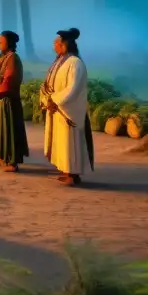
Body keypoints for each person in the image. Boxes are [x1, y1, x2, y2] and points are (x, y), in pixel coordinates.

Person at [41, 28, 94, 186]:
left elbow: (73, 88)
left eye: (56, 43)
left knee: (71, 143)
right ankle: (66, 170)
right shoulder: (59, 62)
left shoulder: (75, 63)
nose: (54, 46)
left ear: (64, 45)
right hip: (58, 109)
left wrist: (55, 100)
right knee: (62, 143)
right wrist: (46, 98)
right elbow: (48, 84)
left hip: (70, 111)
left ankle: (73, 173)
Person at [0, 31, 29, 172]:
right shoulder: (1, 58)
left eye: (0, 41)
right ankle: (3, 157)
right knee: (1, 131)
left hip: (8, 101)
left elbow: (9, 82)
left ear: (9, 43)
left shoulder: (13, 59)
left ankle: (12, 161)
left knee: (10, 132)